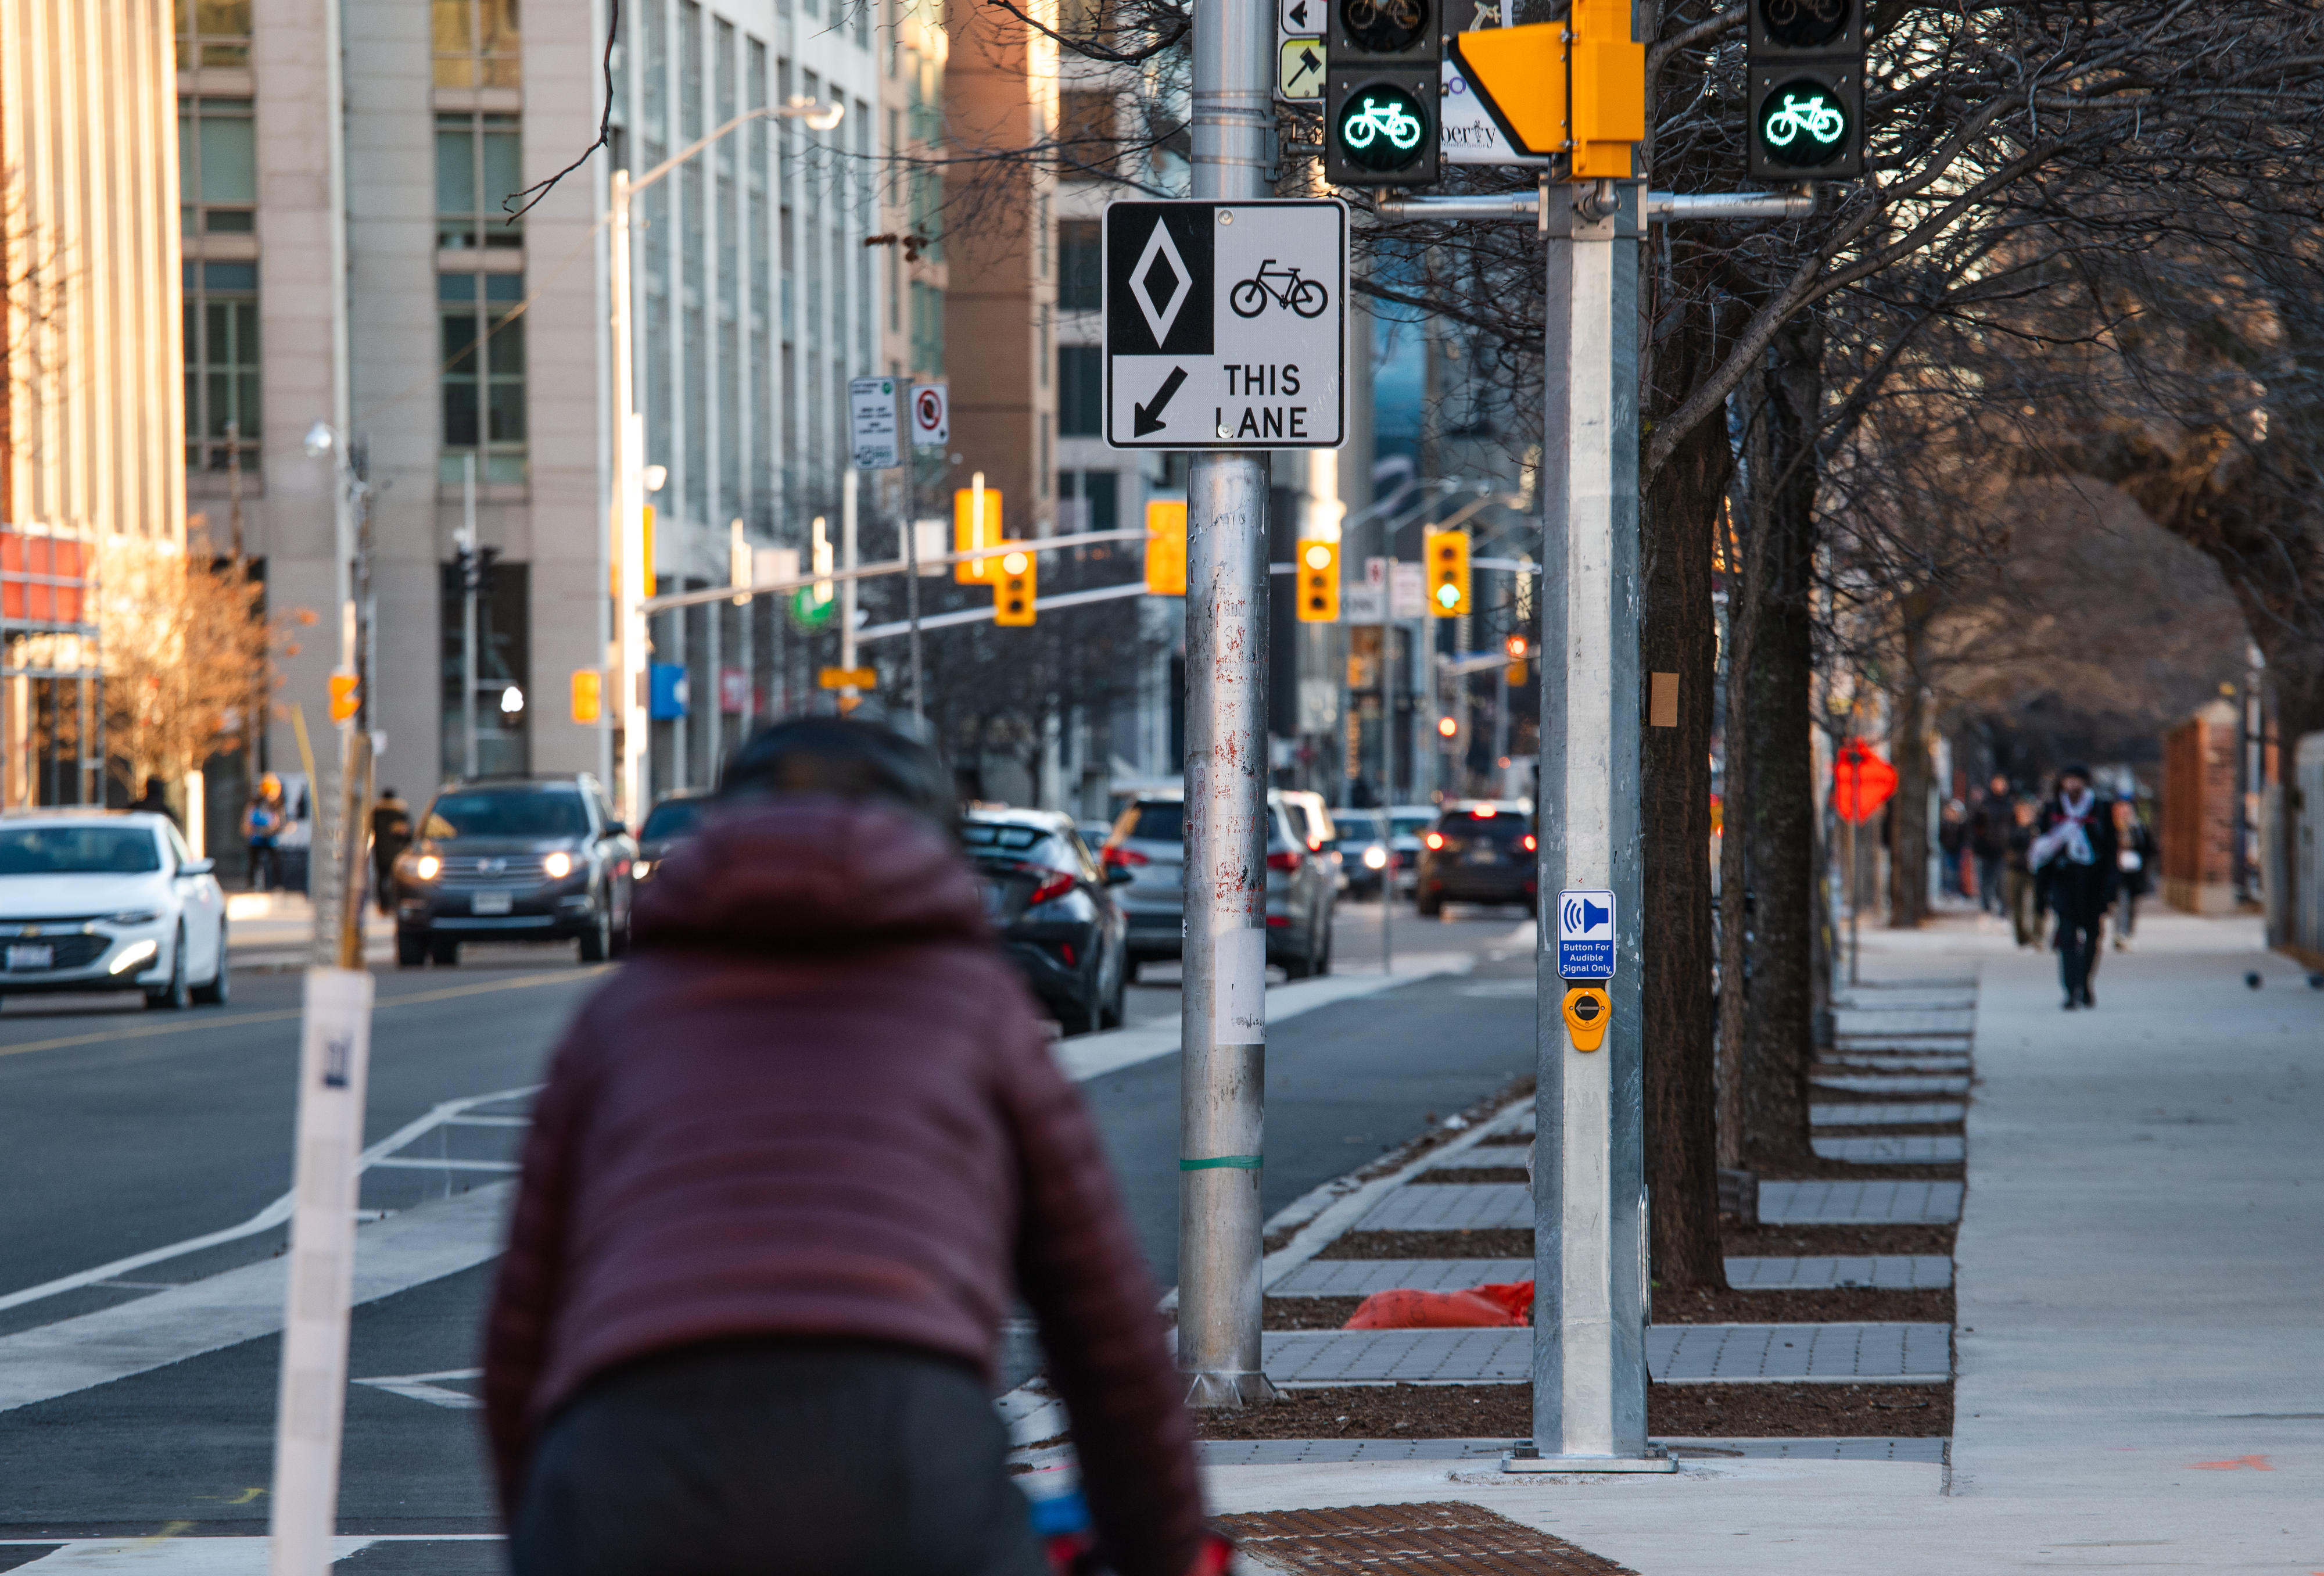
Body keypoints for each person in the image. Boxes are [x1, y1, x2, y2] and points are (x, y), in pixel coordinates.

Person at [482, 714, 1218, 1576]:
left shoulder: (619, 1019)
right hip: (899, 1447)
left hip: (628, 1454)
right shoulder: (979, 1012)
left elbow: (519, 1340)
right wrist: (1165, 1552)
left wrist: (553, 1527)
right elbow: (1105, 1336)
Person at [2032, 764, 2118, 1009]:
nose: (2073, 785)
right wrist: (2041, 893)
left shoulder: (2100, 809)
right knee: (2067, 936)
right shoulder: (2052, 810)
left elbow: (2111, 850)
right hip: (2064, 879)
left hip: (2093, 880)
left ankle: (2085, 982)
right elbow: (2044, 852)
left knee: (2093, 936)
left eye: (2077, 780)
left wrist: (2111, 887)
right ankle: (2071, 990)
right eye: (2069, 780)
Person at [2111, 797, 2156, 949]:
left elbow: (2149, 848)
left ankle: (2129, 933)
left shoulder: (2139, 828)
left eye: (2127, 810)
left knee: (2133, 906)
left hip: (2136, 873)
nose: (2125, 814)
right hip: (2119, 873)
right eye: (2121, 810)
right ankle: (2120, 935)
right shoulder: (2114, 829)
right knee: (2121, 904)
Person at [1970, 775, 2014, 916]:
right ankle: (1986, 905)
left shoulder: (2010, 805)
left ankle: (2003, 908)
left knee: (2002, 880)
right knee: (1986, 879)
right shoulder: (1984, 805)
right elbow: (1975, 825)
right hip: (1985, 848)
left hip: (2004, 848)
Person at [2004, 798, 2044, 948]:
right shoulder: (2012, 827)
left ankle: (2037, 935)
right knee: (2016, 905)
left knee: (2037, 903)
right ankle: (2022, 937)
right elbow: (2007, 844)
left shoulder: (2038, 828)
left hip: (2035, 870)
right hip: (2016, 869)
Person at [370, 787, 413, 915]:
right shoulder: (401, 811)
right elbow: (407, 832)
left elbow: (371, 830)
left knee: (381, 879)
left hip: (380, 852)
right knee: (397, 880)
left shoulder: (376, 812)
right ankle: (396, 904)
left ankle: (383, 906)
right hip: (397, 852)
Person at [243, 774, 286, 891]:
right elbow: (249, 819)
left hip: (270, 838)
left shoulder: (277, 804)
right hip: (257, 837)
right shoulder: (256, 802)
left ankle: (277, 885)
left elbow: (280, 822)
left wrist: (276, 827)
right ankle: (251, 884)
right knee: (254, 862)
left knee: (275, 862)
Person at [1938, 800, 1968, 898]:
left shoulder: (1960, 825)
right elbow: (1941, 836)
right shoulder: (1946, 824)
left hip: (1957, 850)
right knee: (1947, 870)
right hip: (1947, 850)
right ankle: (1947, 890)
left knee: (1956, 871)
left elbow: (1964, 837)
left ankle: (1954, 890)